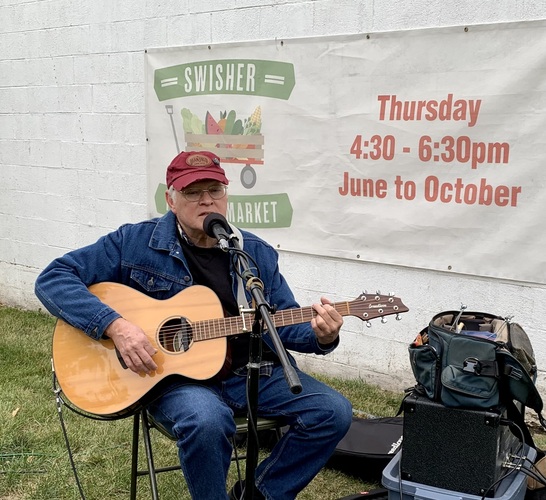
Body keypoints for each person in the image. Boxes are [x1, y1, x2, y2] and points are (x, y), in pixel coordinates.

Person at [35, 150, 353, 500]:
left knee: (332, 412)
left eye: (215, 190)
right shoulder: (135, 243)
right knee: (207, 421)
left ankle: (258, 495)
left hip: (250, 373)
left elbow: (283, 323)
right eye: (192, 192)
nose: (206, 201)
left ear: (227, 196)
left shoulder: (255, 253)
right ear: (171, 199)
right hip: (172, 381)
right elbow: (54, 278)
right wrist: (115, 325)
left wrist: (322, 334)